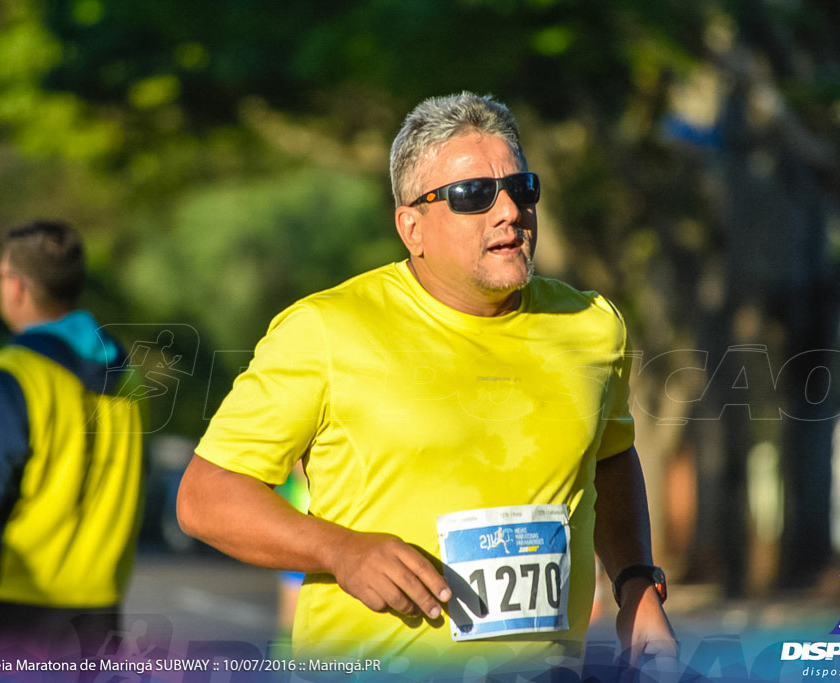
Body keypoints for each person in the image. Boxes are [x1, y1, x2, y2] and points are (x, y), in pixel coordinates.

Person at [176, 92, 676, 677]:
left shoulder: (592, 327)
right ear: (411, 225)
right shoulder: (326, 330)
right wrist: (340, 550)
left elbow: (611, 459)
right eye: (474, 196)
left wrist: (636, 584)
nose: (510, 210)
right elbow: (205, 496)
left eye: (522, 187)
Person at [0, 221, 145, 660]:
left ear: (17, 286)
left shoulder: (13, 374)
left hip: (14, 593)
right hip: (98, 603)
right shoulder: (126, 378)